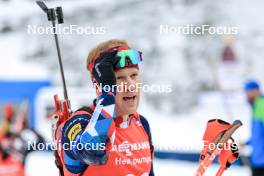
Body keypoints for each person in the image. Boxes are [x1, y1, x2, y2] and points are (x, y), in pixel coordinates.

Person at [56, 39, 154, 176]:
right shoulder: (80, 122)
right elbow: (93, 153)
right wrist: (108, 93)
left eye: (134, 75)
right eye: (119, 78)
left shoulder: (141, 124)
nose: (131, 84)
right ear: (99, 86)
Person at [244, 80, 264, 176]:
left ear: (255, 91)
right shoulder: (255, 106)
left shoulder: (262, 105)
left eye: (248, 92)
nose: (246, 95)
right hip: (257, 160)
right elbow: (258, 134)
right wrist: (246, 143)